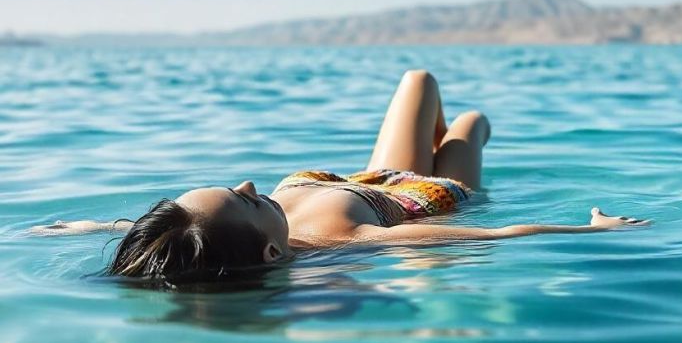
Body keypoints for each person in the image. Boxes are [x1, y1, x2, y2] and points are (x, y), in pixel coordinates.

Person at [32, 70, 649, 285]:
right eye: (246, 201)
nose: (251, 185)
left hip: (364, 174)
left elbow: (165, 234)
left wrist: (90, 226)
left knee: (418, 80)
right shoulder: (351, 243)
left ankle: (462, 131)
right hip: (424, 195)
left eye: (234, 187)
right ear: (273, 251)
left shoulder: (217, 233)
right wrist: (587, 228)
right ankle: (472, 138)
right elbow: (492, 238)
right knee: (469, 122)